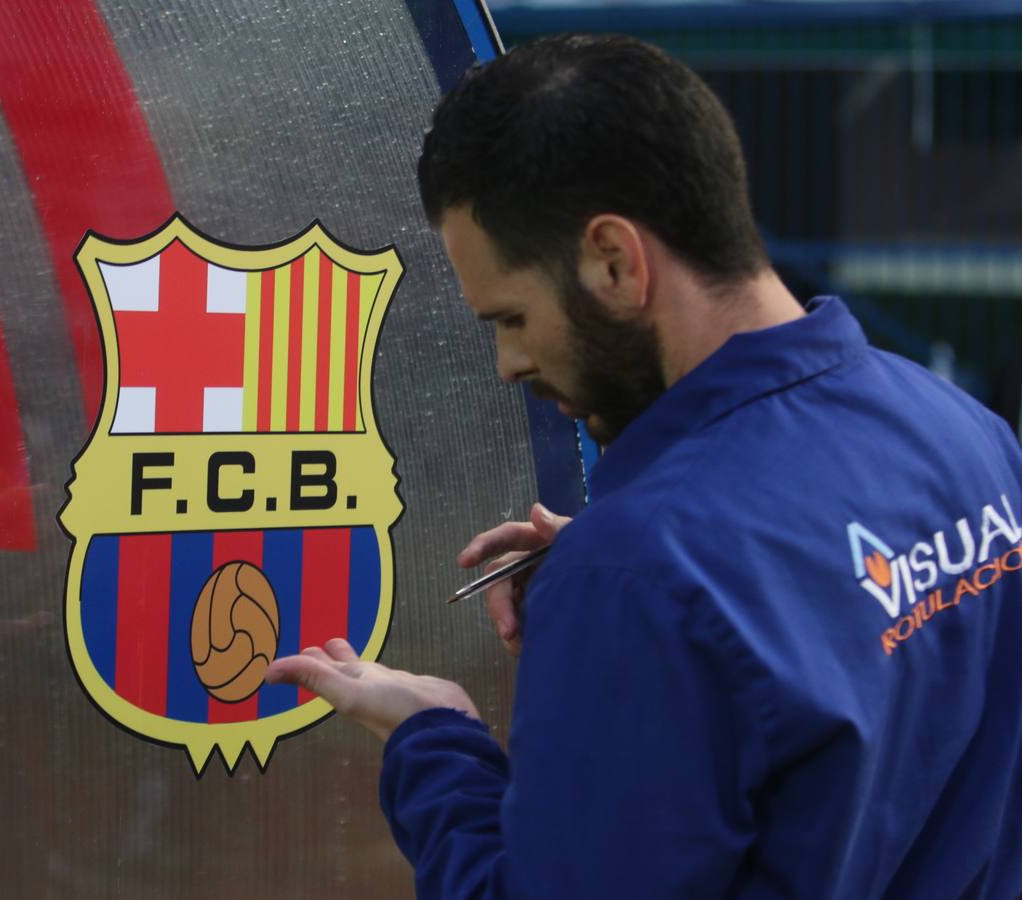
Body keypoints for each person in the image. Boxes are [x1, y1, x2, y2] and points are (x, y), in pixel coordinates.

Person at [264, 34, 1022, 898]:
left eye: (510, 317)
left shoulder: (642, 578)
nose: (509, 364)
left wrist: (438, 738)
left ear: (615, 263)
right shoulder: (964, 432)